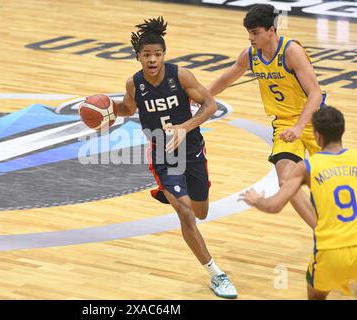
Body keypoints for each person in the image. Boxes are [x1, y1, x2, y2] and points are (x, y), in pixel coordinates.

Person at [115, 17, 237, 299]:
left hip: (193, 150)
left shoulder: (182, 76)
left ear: (164, 56)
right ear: (138, 57)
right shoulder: (134, 83)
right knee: (184, 214)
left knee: (200, 211)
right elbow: (126, 107)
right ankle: (216, 274)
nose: (152, 59)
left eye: (157, 54)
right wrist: (106, 112)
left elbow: (210, 104)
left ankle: (168, 193)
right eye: (147, 55)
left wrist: (184, 127)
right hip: (163, 155)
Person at [208, 4, 325, 230]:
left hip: (314, 120)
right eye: (249, 33)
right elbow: (224, 81)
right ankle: (321, 233)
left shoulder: (291, 51)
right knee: (285, 182)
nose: (251, 38)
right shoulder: (250, 56)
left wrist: (300, 127)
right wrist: (201, 96)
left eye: (255, 33)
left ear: (271, 31)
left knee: (329, 181)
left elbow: (316, 93)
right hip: (283, 124)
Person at [239, 106, 357, 300]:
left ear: (317, 135)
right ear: (342, 130)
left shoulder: (307, 167)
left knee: (316, 296)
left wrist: (256, 200)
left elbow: (273, 206)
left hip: (329, 250)